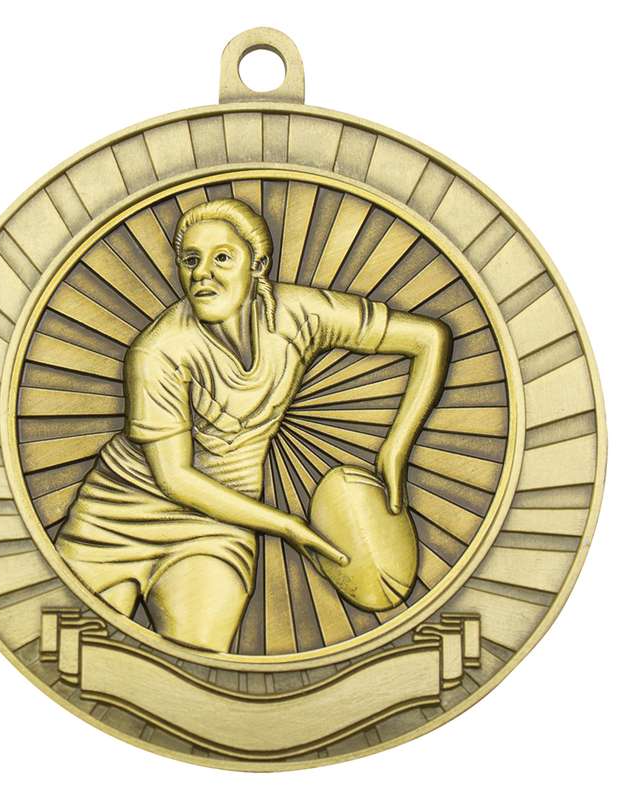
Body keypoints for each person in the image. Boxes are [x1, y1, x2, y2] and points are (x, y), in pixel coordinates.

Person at [56, 198, 451, 653]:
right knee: (79, 657)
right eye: (191, 260)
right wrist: (286, 526)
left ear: (257, 264)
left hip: (216, 527)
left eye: (222, 257)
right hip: (113, 518)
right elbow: (176, 479)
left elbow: (428, 338)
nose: (202, 273)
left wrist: (396, 449)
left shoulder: (301, 314)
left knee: (198, 665)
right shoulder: (158, 351)